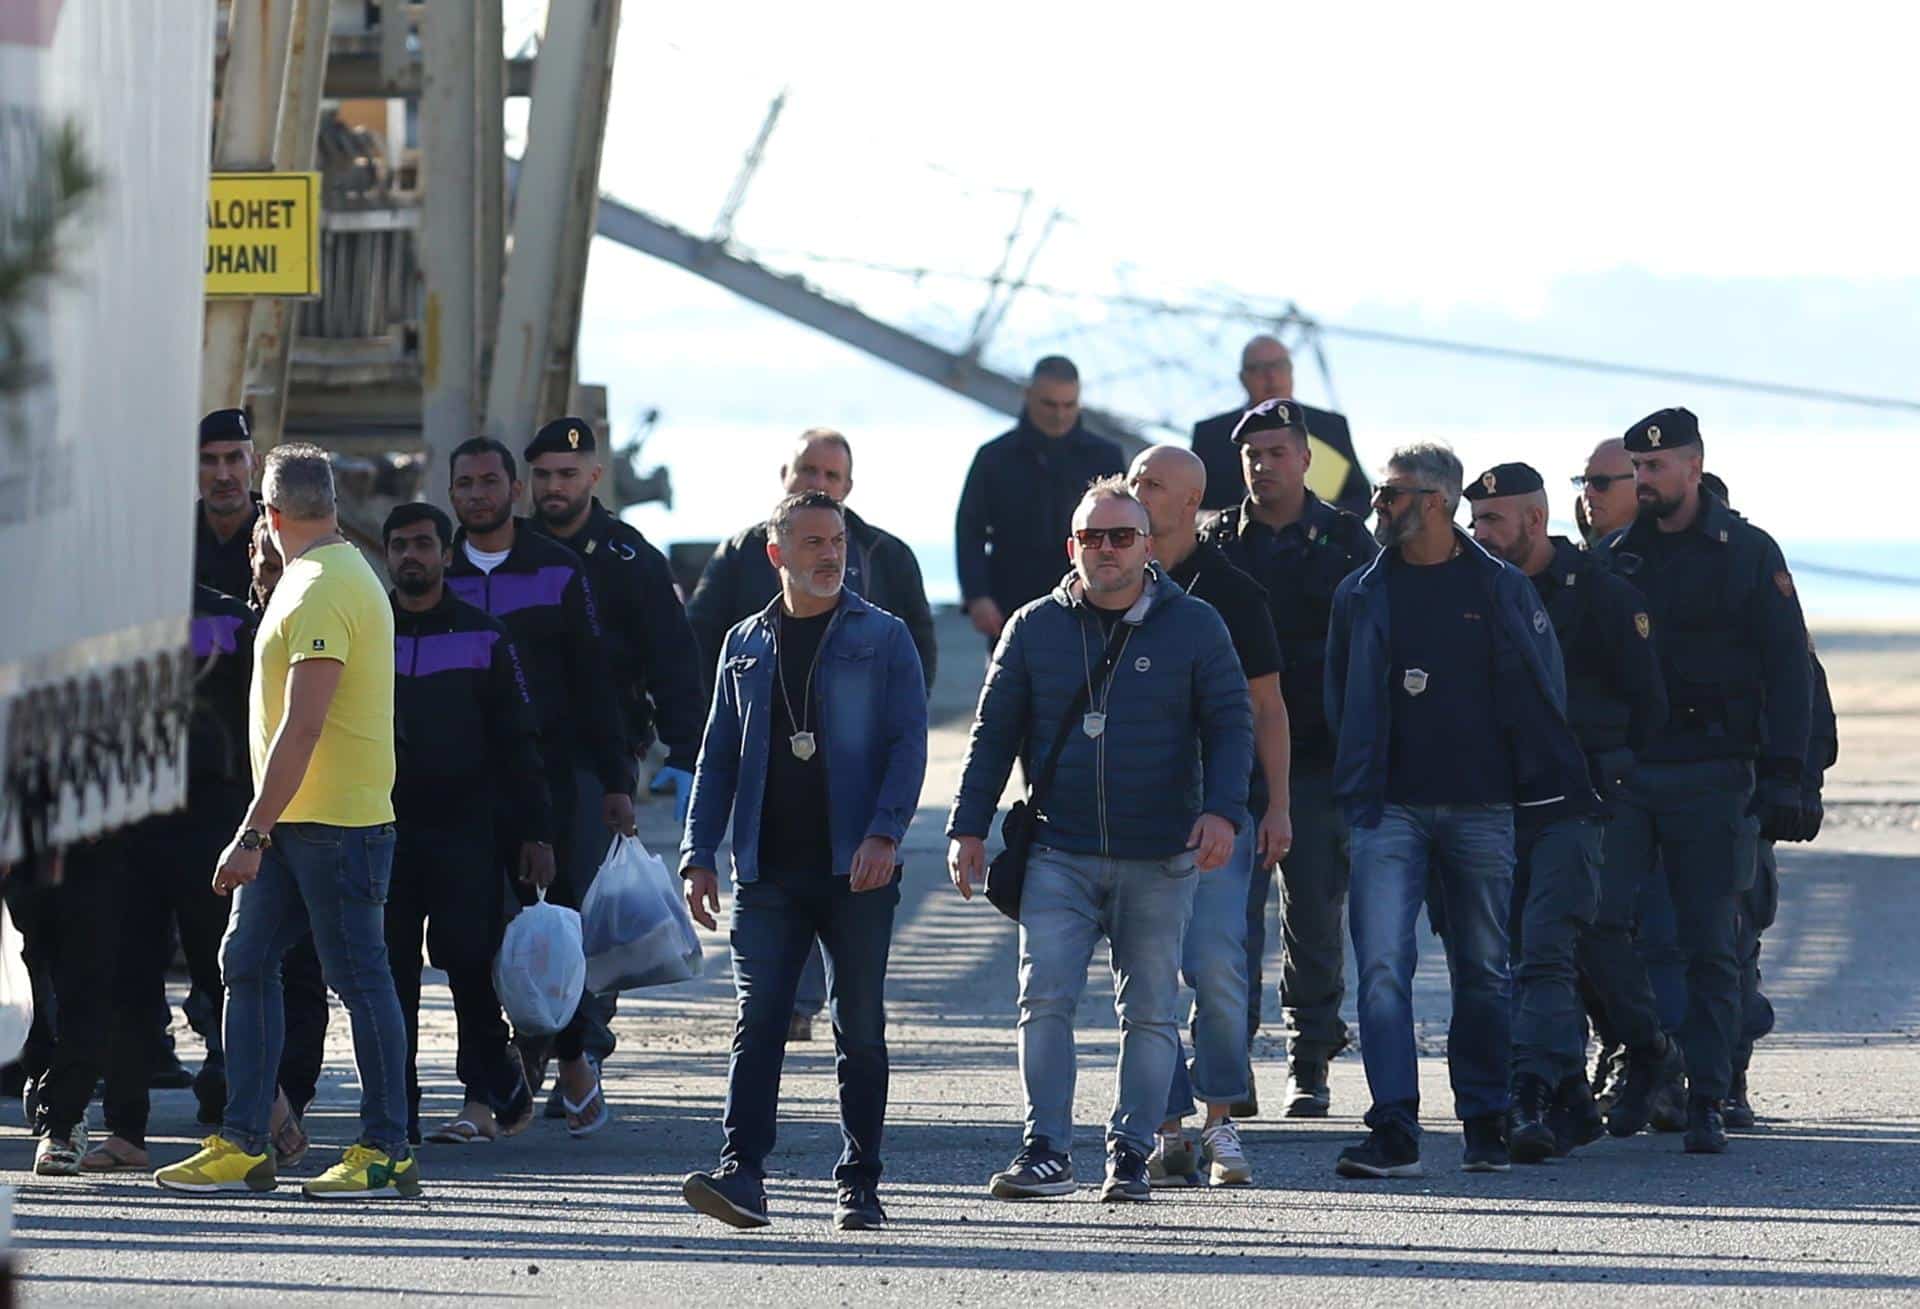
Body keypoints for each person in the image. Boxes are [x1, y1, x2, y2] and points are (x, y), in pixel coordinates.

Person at [948, 478, 1253, 1204]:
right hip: (1059, 848)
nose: (1107, 549)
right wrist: (967, 827)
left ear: (1149, 547)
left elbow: (1232, 726)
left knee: (1149, 1009)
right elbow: (992, 736)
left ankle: (1131, 1150)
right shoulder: (1033, 627)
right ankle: (1046, 1149)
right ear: (1072, 546)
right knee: (1043, 997)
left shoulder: (1197, 625)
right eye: (1093, 537)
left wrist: (1224, 812)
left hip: (1161, 852)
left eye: (1122, 536)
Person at [156, 442, 417, 1199]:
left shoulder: (320, 587)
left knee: (360, 979)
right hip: (304, 821)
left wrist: (251, 831)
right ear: (330, 501)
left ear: (269, 515)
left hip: (332, 825)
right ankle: (243, 1138)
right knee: (246, 961)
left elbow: (303, 725)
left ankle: (387, 1146)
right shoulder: (322, 576)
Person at [1325, 442, 1592, 1179]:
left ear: (1437, 502)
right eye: (1379, 493)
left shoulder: (1501, 586)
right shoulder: (1362, 591)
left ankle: (1483, 1119)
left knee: (1483, 967)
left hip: (1482, 807)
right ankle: (1395, 1127)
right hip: (1386, 809)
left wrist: (1535, 786)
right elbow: (1339, 691)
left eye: (1392, 494)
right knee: (1381, 967)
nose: (1378, 506)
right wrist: (1355, 789)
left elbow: (1546, 689)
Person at [679, 490, 928, 1232]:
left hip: (856, 869)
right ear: (777, 553)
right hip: (767, 872)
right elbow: (717, 756)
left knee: (860, 1026)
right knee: (759, 1020)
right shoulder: (744, 643)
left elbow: (907, 745)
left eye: (838, 542)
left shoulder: (884, 637)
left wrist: (885, 832)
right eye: (813, 542)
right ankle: (743, 1173)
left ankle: (859, 1181)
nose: (829, 555)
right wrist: (698, 853)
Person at [1590, 408, 1811, 1155]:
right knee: (1600, 924)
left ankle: (1709, 1094)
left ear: (1693, 465)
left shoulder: (1747, 553)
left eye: (1656, 468)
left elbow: (1789, 671)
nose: (1643, 481)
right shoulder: (1617, 557)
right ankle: (1647, 1052)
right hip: (1633, 775)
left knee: (1713, 941)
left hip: (1716, 774)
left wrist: (1790, 775)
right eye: (1637, 468)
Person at [687, 426, 939, 1043]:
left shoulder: (885, 554)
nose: (818, 484)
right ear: (785, 476)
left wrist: (888, 783)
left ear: (848, 487)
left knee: (858, 1011)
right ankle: (784, 1024)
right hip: (768, 788)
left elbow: (920, 659)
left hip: (852, 789)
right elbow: (700, 639)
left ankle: (856, 1126)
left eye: (831, 477)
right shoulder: (741, 552)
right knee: (768, 966)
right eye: (809, 472)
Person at [1466, 461, 1667, 1162]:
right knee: (1544, 947)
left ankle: (1553, 1084)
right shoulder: (1478, 592)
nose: (1480, 532)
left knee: (1566, 939)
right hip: (1502, 797)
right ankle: (1581, 1084)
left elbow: (1649, 702)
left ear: (1533, 518)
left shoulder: (1600, 594)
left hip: (1586, 799)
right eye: (1474, 520)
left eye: (1493, 519)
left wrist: (1613, 769)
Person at [444, 436, 635, 1136]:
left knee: (557, 927)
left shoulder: (557, 571)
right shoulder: (437, 572)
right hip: (464, 789)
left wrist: (616, 779)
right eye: (464, 483)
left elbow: (595, 681)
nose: (478, 494)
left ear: (513, 491)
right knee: (475, 940)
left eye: (490, 481)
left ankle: (576, 1053)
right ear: (453, 491)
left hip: (551, 781)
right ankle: (488, 1087)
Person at [1202, 398, 1378, 1118]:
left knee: (1313, 913)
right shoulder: (1216, 542)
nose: (1264, 466)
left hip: (1317, 757)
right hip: (1229, 757)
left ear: (1307, 459)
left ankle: (1309, 1059)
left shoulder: (1345, 542)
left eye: (1278, 452)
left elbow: (1373, 650)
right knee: (1224, 920)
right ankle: (1228, 1060)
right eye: (1252, 455)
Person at [1125, 446, 1290, 1187]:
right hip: (1133, 813)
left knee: (1219, 965)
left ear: (1189, 502)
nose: (1135, 493)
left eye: (1150, 485)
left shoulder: (1234, 590)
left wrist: (1279, 803)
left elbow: (1266, 706)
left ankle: (1221, 1120)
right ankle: (1167, 1132)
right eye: (1132, 481)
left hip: (1223, 808)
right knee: (1150, 976)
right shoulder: (1104, 580)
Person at [385, 502, 554, 1144]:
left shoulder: (486, 635)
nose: (412, 556)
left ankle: (489, 1097)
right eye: (400, 546)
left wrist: (535, 833)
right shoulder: (370, 632)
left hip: (467, 833)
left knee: (469, 968)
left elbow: (519, 741)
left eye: (423, 545)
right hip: (387, 833)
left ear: (445, 555)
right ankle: (395, 1109)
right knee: (390, 974)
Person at [75, 583, 258, 1173]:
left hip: (211, 820)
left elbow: (263, 716)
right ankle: (126, 1131)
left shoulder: (230, 619)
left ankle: (250, 1122)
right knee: (127, 979)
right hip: (126, 825)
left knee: (224, 974)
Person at [955, 356, 1125, 645]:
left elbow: (1125, 526)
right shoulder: (994, 458)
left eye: (1068, 405)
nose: (1059, 414)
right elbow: (969, 530)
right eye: (1050, 404)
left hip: (1090, 602)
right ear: (1027, 396)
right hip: (1011, 604)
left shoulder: (1105, 456)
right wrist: (977, 596)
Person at [1190, 336, 1371, 516]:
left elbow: (1361, 497)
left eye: (1278, 366)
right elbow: (1186, 502)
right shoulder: (1210, 434)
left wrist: (1321, 521)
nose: (1271, 376)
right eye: (1258, 369)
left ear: (1291, 370)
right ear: (1242, 378)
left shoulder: (1330, 427)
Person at [196, 407, 262, 598]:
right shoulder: (178, 534)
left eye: (234, 459)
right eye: (209, 460)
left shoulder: (279, 534)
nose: (222, 476)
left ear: (255, 464)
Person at [1573, 437, 1636, 546]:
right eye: (1583, 481)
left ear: (1639, 482)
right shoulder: (1567, 558)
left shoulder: (1668, 558)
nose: (1587, 493)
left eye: (1601, 482)